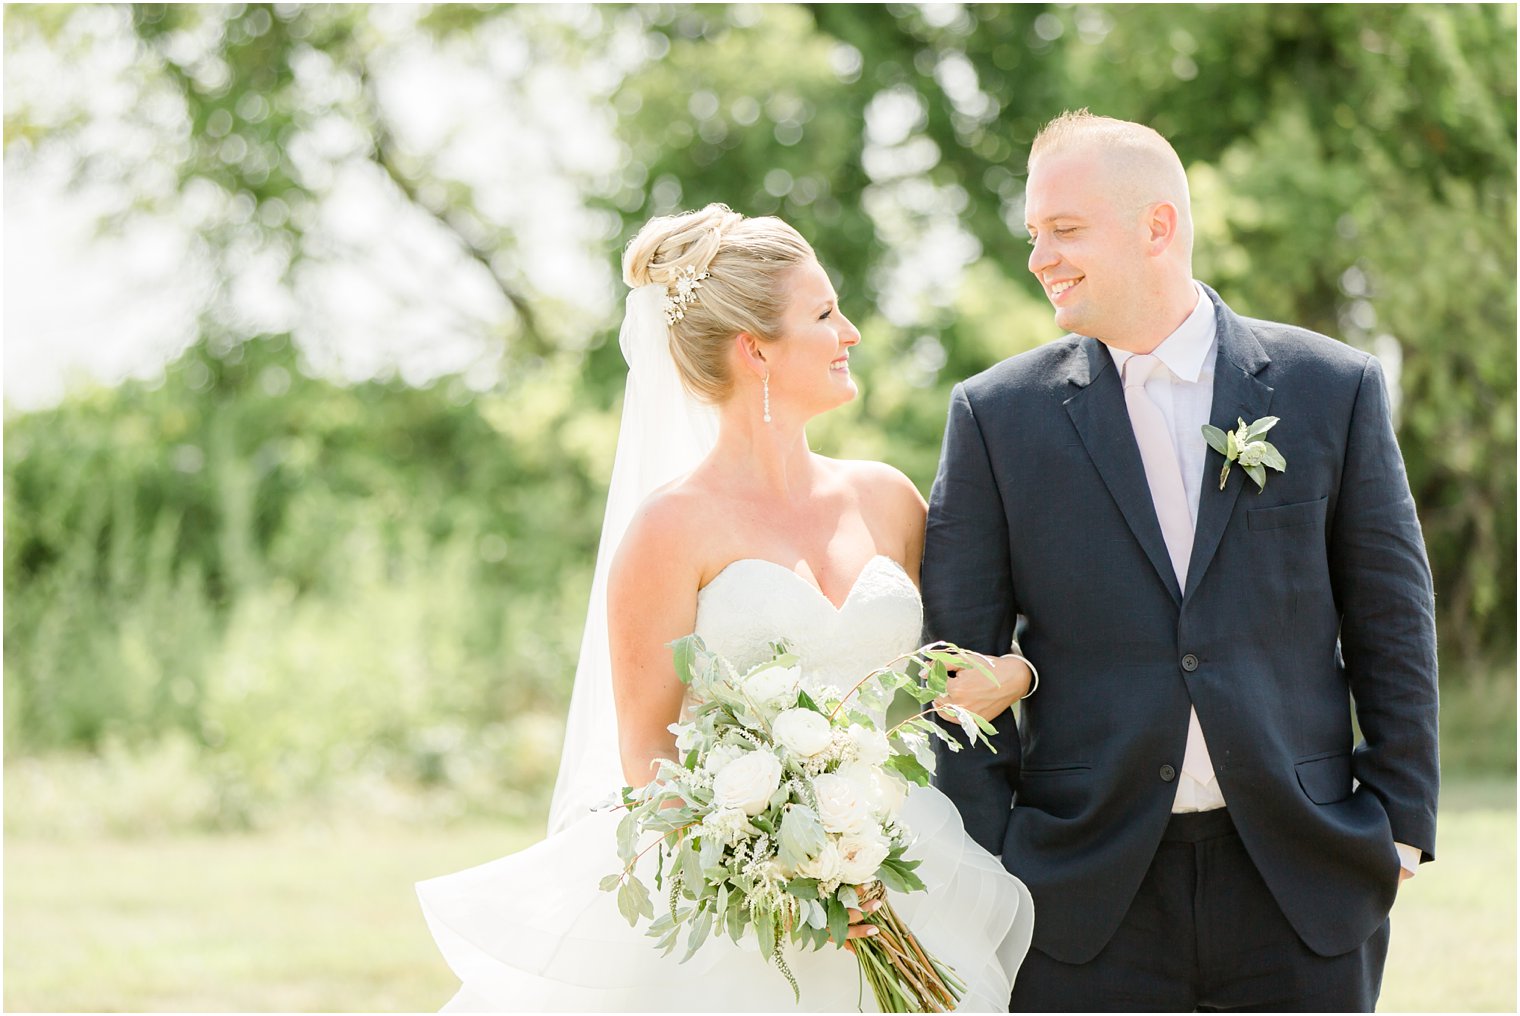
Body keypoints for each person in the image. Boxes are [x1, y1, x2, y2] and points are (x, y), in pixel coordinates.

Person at [417, 203, 1034, 1011]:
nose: (849, 332)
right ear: (755, 350)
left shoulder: (888, 499)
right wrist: (779, 862)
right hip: (749, 911)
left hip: (904, 865)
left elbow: (952, 673)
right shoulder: (670, 529)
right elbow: (646, 755)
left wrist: (1016, 675)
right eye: (823, 314)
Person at [922, 110, 1439, 1012]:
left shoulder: (1332, 387)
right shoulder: (995, 417)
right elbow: (955, 663)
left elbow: (1391, 614)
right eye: (1033, 234)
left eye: (1065, 229)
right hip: (1084, 898)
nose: (1040, 256)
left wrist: (1397, 825)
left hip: (1302, 878)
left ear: (1157, 225)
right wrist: (991, 857)